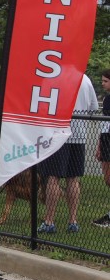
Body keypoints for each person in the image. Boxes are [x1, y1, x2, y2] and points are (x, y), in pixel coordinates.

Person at [38, 73, 99, 234]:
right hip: (79, 135)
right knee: (73, 178)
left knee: (53, 177)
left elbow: (43, 105)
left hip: (57, 133)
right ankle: (73, 221)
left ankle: (49, 221)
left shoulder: (53, 76)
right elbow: (93, 107)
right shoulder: (85, 79)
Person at [95, 69, 110, 228]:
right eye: (102, 80)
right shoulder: (106, 99)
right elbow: (104, 124)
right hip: (106, 139)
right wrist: (99, 145)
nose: (103, 83)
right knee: (107, 179)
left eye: (106, 81)